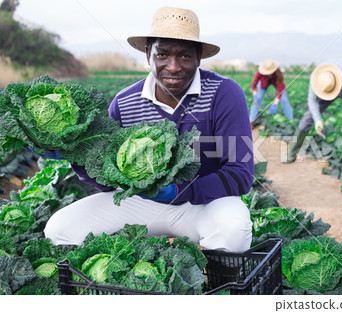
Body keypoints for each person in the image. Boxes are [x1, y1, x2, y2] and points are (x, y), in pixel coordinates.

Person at [43, 7, 254, 253]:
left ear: (199, 57)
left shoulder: (224, 93)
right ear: (147, 55)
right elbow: (108, 180)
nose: (173, 67)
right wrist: (77, 157)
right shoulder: (124, 102)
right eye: (162, 54)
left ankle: (203, 268)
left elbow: (240, 174)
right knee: (59, 229)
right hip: (141, 201)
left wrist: (178, 191)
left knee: (234, 233)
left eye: (185, 57)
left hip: (202, 204)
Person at [249, 59, 294, 126]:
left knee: (284, 100)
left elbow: (280, 90)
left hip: (276, 82)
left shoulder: (278, 73)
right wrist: (255, 95)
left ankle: (291, 120)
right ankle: (251, 121)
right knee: (257, 100)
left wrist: (274, 104)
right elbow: (254, 84)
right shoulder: (260, 71)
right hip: (263, 83)